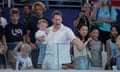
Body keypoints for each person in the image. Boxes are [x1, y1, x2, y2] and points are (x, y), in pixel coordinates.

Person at [27, 2, 52, 68]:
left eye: (40, 9)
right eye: (36, 9)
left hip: (46, 43)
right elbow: (27, 34)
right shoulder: (31, 20)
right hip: (34, 44)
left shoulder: (48, 21)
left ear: (43, 10)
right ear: (34, 10)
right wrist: (30, 43)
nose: (38, 11)